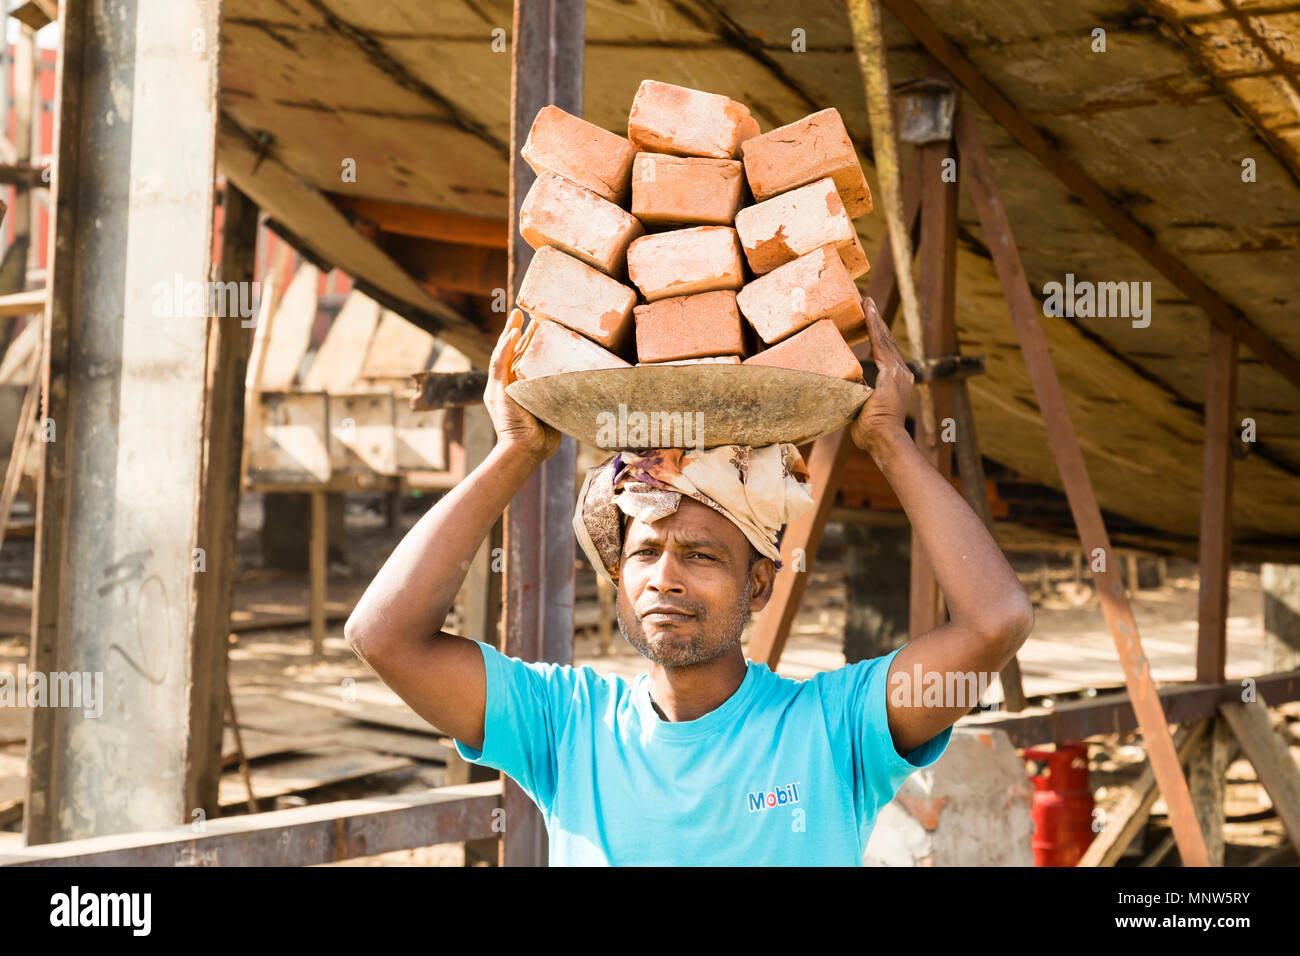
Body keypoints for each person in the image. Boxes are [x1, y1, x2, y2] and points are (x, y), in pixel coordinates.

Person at [345, 297, 1034, 865]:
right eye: (643, 553)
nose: (664, 579)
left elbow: (994, 623)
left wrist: (889, 440)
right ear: (617, 578)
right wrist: (514, 452)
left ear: (759, 584)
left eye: (702, 556)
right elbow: (383, 637)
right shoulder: (566, 725)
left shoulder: (832, 729)